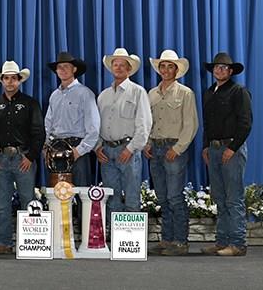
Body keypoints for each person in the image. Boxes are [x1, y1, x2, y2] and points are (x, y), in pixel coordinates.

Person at [0, 61, 45, 255]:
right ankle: (3, 242)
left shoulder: (30, 103)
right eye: (6, 78)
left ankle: (30, 240)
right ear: (1, 80)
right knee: (2, 203)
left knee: (28, 200)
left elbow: (38, 132)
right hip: (0, 158)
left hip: (23, 157)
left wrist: (31, 156)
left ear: (19, 80)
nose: (10, 82)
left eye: (13, 78)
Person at [144, 50, 198, 256]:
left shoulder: (185, 93)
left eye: (170, 66)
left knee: (175, 196)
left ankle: (180, 241)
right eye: (163, 66)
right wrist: (147, 143)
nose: (166, 70)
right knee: (163, 196)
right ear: (159, 69)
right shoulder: (152, 94)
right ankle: (167, 239)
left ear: (177, 70)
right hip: (155, 148)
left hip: (173, 147)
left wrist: (177, 148)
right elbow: (148, 122)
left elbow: (191, 124)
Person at [200, 52, 252, 257]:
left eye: (224, 68)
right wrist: (205, 147)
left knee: (234, 198)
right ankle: (222, 241)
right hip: (213, 149)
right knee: (219, 197)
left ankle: (238, 244)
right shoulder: (209, 93)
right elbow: (207, 124)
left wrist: (233, 148)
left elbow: (245, 123)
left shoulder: (239, 92)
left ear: (230, 71)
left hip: (231, 148)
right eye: (216, 67)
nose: (219, 70)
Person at [95, 48, 152, 219]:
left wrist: (131, 148)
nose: (118, 68)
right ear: (111, 68)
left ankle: (130, 240)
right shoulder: (103, 96)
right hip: (106, 150)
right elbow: (95, 125)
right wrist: (97, 147)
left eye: (122, 65)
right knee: (111, 197)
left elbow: (144, 123)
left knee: (132, 196)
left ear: (129, 69)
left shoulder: (137, 92)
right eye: (115, 64)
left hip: (128, 149)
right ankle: (113, 237)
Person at [44, 52, 100, 186]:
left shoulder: (85, 93)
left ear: (74, 69)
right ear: (56, 71)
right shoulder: (54, 96)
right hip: (55, 149)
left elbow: (93, 127)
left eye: (66, 66)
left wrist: (79, 151)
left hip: (77, 148)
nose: (62, 70)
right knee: (56, 193)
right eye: (59, 67)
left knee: (81, 193)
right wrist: (46, 147)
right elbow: (48, 124)